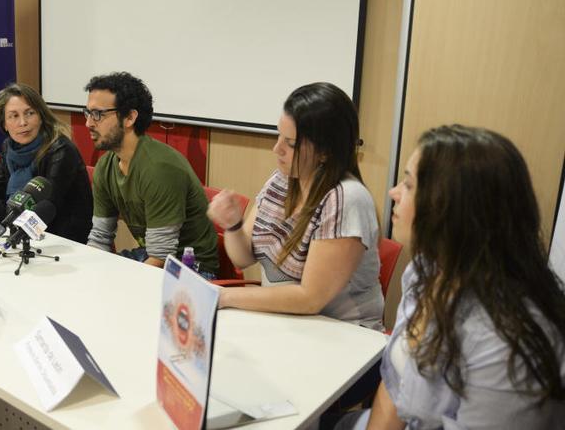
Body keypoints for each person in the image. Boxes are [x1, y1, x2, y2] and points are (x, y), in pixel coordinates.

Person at [336, 125, 565, 429]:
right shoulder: (428, 269)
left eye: (408, 184)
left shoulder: (507, 341)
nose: (393, 193)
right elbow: (396, 382)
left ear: (449, 207)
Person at [207, 82, 383, 331]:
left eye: (290, 143)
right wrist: (233, 224)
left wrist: (224, 297)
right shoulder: (283, 179)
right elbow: (242, 257)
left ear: (325, 152)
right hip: (290, 323)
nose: (276, 149)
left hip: (342, 334)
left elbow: (309, 298)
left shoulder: (346, 199)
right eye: (279, 135)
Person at [84, 71, 219, 278]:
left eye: (98, 114)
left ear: (130, 117)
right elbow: (100, 238)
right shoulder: (106, 166)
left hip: (189, 269)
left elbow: (161, 257)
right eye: (88, 113)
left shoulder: (159, 168)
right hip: (150, 256)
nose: (89, 123)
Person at [0, 83, 93, 243]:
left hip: (62, 239)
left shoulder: (61, 150)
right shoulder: (10, 147)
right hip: (23, 237)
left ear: (41, 116)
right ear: (4, 124)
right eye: (13, 116)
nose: (22, 123)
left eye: (29, 113)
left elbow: (36, 210)